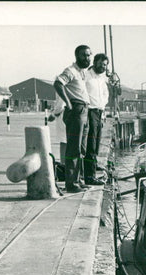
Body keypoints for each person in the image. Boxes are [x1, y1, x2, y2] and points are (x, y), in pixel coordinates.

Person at [54, 45, 92, 192]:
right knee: (73, 148)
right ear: (77, 56)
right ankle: (71, 184)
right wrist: (68, 103)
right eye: (84, 55)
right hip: (76, 110)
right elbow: (58, 83)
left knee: (82, 148)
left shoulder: (82, 72)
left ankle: (79, 179)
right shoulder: (70, 71)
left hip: (84, 110)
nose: (87, 58)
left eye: (89, 55)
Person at [84, 53, 110, 185]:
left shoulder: (102, 79)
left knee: (97, 144)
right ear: (94, 62)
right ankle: (89, 176)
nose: (102, 67)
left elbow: (106, 94)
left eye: (105, 65)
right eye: (100, 64)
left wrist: (103, 107)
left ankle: (92, 169)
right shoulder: (86, 76)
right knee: (91, 145)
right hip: (90, 111)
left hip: (99, 112)